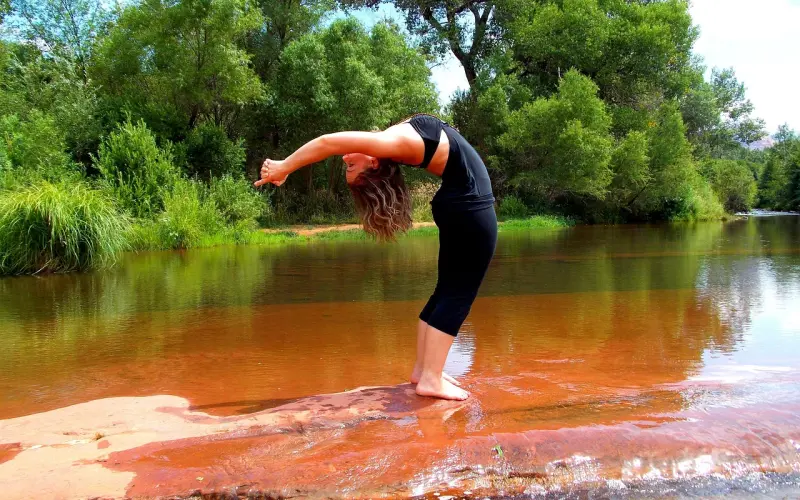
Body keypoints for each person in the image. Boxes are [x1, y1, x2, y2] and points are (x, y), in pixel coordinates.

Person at [255, 114, 497, 400]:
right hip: (472, 206)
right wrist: (285, 167)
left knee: (446, 290)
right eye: (350, 165)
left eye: (348, 165)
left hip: (457, 203)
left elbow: (333, 144)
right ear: (373, 162)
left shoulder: (392, 142)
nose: (345, 156)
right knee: (458, 294)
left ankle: (423, 371)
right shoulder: (391, 142)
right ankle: (431, 378)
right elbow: (327, 142)